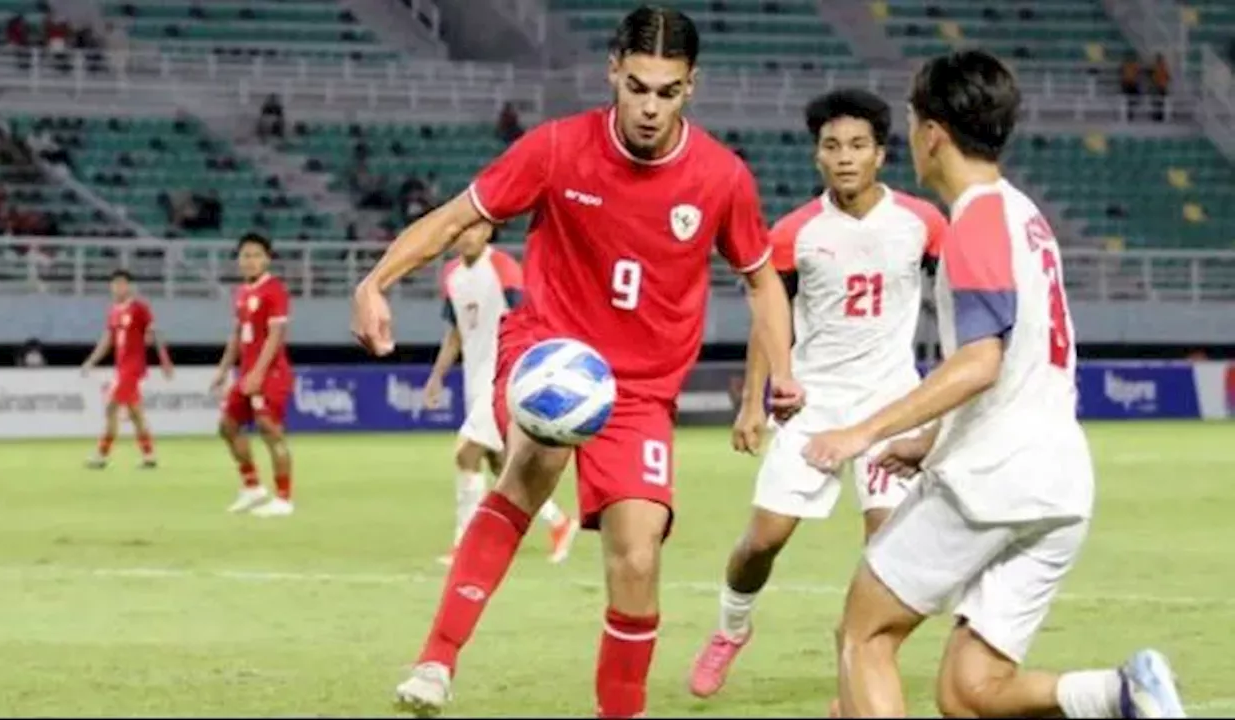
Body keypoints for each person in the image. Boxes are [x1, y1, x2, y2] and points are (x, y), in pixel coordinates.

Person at [351, 7, 802, 717]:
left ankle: (618, 711)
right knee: (537, 455)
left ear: (692, 87)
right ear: (612, 72)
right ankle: (437, 660)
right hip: (548, 352)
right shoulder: (557, 149)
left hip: (642, 390)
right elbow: (452, 217)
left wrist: (780, 371)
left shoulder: (720, 177)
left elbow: (762, 278)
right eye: (637, 86)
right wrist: (376, 280)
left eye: (668, 91)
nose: (650, 107)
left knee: (638, 553)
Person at [802, 50, 1184, 719]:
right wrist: (928, 440)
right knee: (968, 693)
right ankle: (1124, 693)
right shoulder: (1024, 215)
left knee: (863, 637)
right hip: (1060, 482)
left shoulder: (974, 221)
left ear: (932, 134)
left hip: (992, 478)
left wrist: (863, 429)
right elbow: (1019, 358)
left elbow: (981, 362)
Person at [687, 88, 947, 699]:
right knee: (763, 541)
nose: (845, 157)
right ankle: (731, 629)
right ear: (817, 158)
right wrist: (754, 401)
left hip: (892, 407)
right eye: (832, 146)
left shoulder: (922, 224)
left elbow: (960, 300)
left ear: (881, 154)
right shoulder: (792, 234)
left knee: (889, 551)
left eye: (858, 145)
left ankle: (859, 672)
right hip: (814, 406)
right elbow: (768, 319)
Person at [422, 221, 580, 566]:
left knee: (466, 453)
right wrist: (437, 376)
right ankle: (560, 522)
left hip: (503, 376)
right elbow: (455, 333)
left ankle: (465, 545)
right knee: (501, 464)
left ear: (488, 233)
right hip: (473, 378)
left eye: (474, 230)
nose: (466, 235)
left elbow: (530, 316)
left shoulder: (503, 268)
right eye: (461, 231)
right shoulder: (452, 275)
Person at [211, 233, 295, 518]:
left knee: (268, 428)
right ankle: (252, 487)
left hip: (270, 373)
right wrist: (223, 370)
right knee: (227, 426)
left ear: (267, 258)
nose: (250, 261)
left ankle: (284, 497)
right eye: (245, 256)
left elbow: (276, 334)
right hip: (246, 373)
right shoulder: (243, 293)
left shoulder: (274, 290)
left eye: (256, 255)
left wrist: (259, 373)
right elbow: (236, 336)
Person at [81, 270, 174, 469]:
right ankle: (149, 455)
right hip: (121, 368)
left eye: (122, 284)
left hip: (133, 368)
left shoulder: (139, 308)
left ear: (130, 286)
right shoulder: (114, 311)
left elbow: (154, 333)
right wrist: (91, 360)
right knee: (135, 413)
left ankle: (101, 454)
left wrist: (165, 361)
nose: (118, 288)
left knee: (111, 407)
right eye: (115, 284)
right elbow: (107, 340)